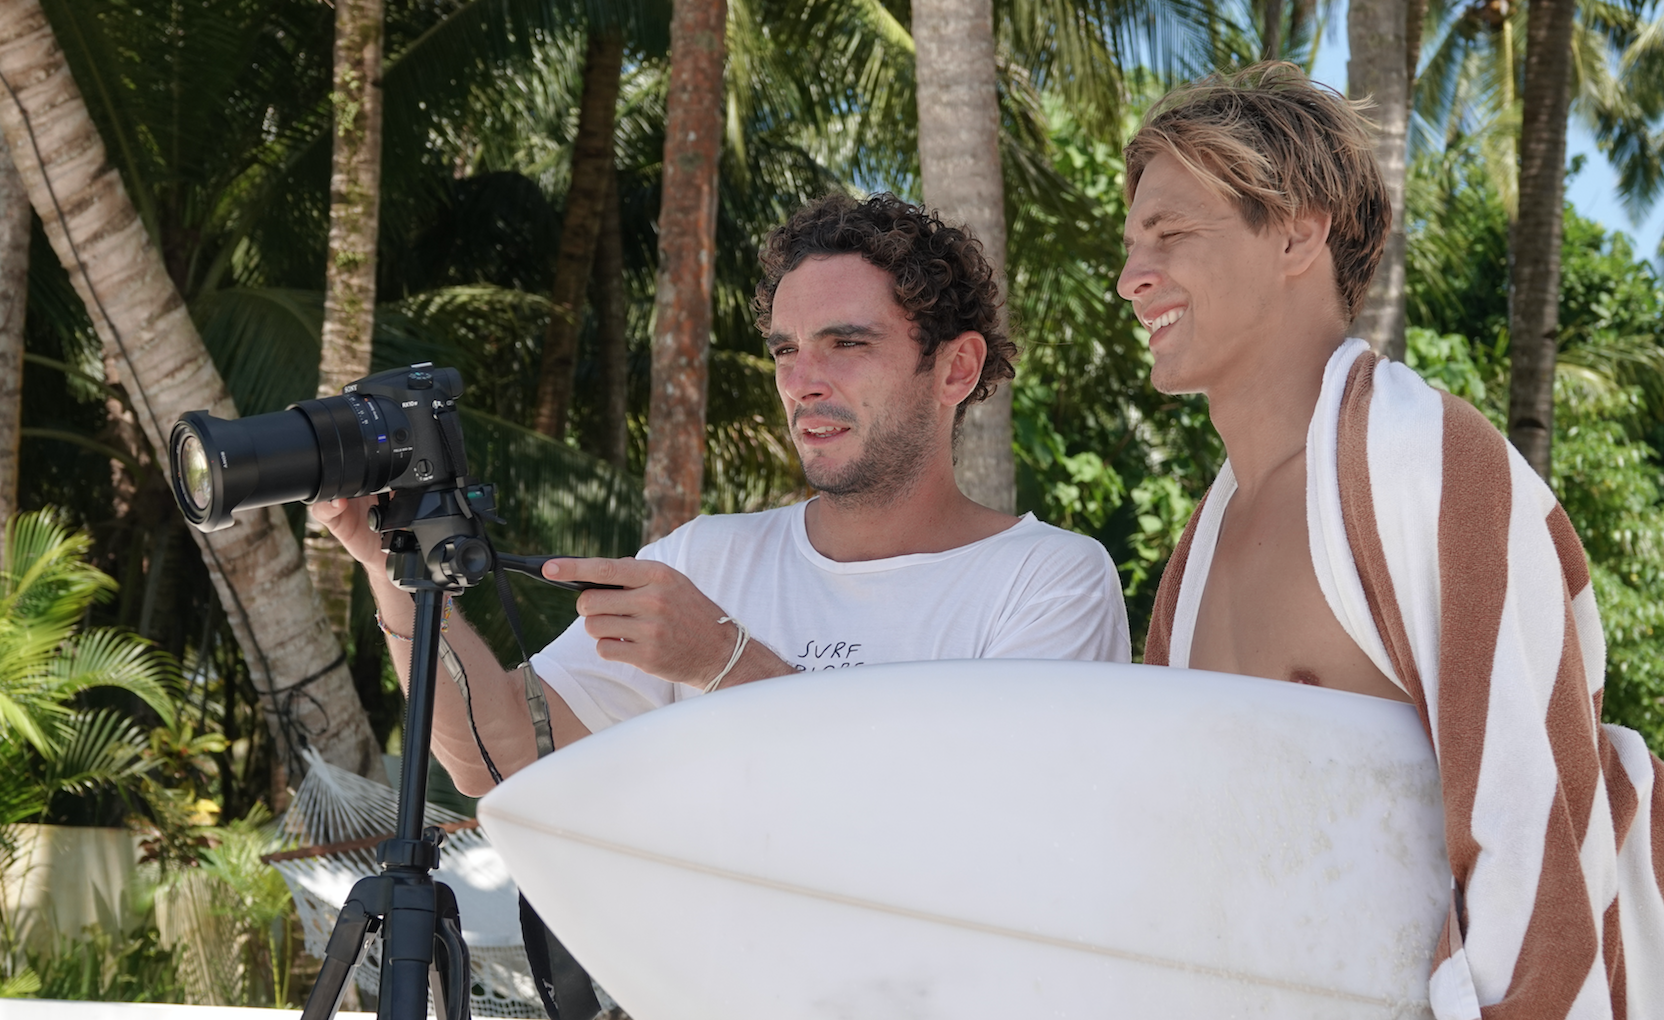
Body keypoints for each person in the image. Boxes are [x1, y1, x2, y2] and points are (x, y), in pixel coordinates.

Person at [1121, 62, 1663, 1018]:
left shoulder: (1423, 466)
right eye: (1132, 246)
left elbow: (1535, 849)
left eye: (1170, 234)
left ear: (1297, 233)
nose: (1131, 279)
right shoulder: (1198, 550)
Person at [313, 192, 1130, 794]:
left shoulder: (1049, 579)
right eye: (785, 351)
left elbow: (989, 818)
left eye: (846, 343)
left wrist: (726, 661)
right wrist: (392, 568)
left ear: (956, 368)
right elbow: (498, 758)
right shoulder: (705, 560)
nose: (802, 383)